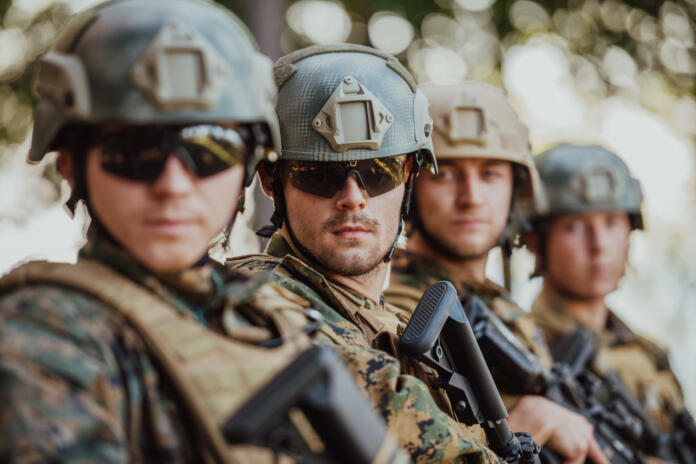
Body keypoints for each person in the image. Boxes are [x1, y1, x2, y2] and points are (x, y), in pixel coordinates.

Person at [0, 2, 409, 462]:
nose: (173, 186)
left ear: (247, 168)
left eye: (209, 148)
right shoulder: (43, 341)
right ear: (73, 167)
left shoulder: (264, 316)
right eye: (135, 152)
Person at [230, 44, 499, 463]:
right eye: (319, 175)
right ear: (270, 180)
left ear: (408, 176)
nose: (353, 198)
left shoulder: (377, 318)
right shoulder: (254, 301)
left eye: (379, 172)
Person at [384, 82, 609, 463]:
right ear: (412, 187)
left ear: (514, 191)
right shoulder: (394, 304)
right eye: (446, 174)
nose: (471, 197)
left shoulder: (499, 304)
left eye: (489, 174)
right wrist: (520, 428)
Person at [526, 144, 686, 434]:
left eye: (612, 223)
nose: (599, 245)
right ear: (534, 241)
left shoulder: (648, 353)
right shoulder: (525, 350)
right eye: (575, 226)